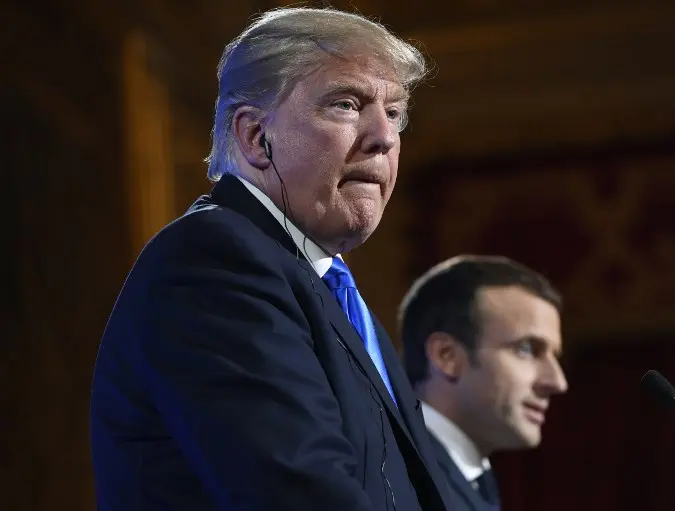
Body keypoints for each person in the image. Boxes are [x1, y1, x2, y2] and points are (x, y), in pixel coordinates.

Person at [90, 7, 452, 511]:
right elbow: (299, 492)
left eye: (394, 113)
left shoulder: (324, 284)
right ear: (256, 137)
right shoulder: (214, 263)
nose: (385, 137)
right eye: (346, 104)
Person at [399, 255, 569, 511]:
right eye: (526, 349)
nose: (557, 382)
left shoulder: (471, 478)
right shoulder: (396, 477)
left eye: (554, 356)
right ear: (446, 356)